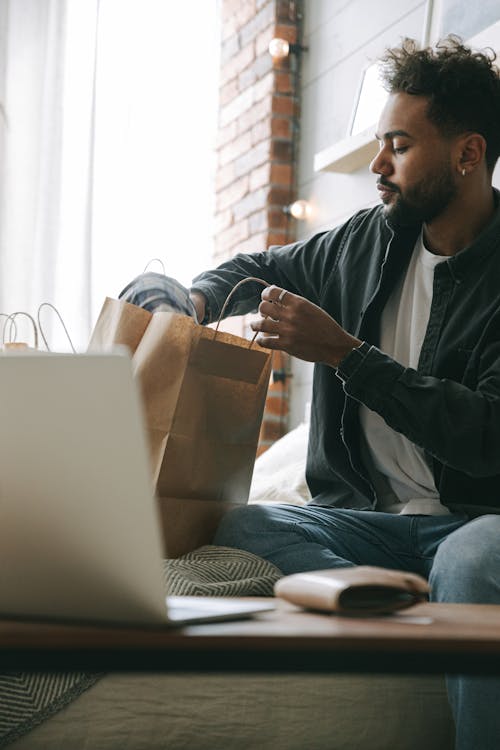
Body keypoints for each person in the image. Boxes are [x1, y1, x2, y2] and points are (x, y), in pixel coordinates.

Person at [122, 36, 500, 750]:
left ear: (467, 154)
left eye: (398, 145)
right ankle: (398, 605)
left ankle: (414, 607)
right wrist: (191, 305)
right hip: (367, 526)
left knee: (475, 562)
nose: (379, 166)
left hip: (477, 521)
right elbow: (250, 268)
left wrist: (345, 355)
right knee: (242, 523)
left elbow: (485, 435)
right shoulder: (366, 242)